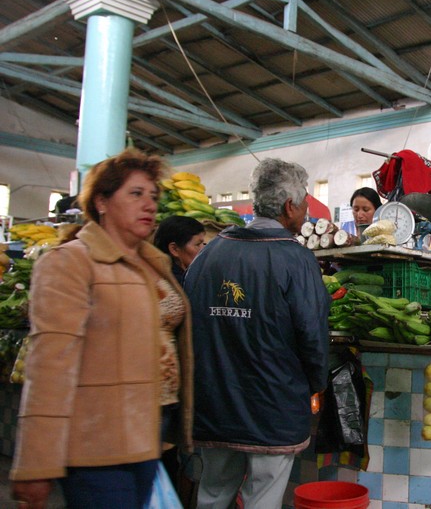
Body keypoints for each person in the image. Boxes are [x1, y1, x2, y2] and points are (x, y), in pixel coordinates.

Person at [10, 148, 194, 509]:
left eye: (153, 196)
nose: (149, 205)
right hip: (95, 450)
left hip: (144, 441)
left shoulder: (147, 265)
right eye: (136, 194)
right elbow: (49, 369)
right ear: (102, 201)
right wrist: (37, 463)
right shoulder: (69, 263)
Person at [184, 158, 330, 509]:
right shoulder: (296, 259)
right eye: (306, 202)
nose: (307, 209)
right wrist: (316, 383)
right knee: (262, 498)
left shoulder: (207, 256)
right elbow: (312, 334)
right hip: (272, 406)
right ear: (289, 206)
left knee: (213, 493)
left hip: (215, 406)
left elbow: (189, 329)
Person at [154, 215, 207, 285]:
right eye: (198, 244)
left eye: (204, 244)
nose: (204, 249)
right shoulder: (177, 285)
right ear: (174, 249)